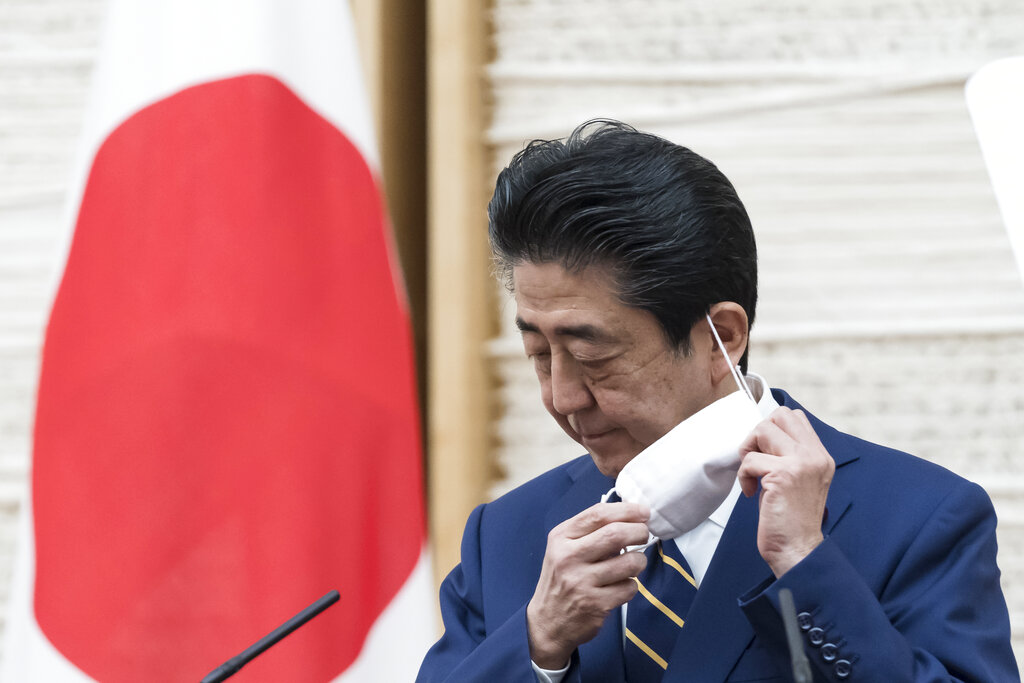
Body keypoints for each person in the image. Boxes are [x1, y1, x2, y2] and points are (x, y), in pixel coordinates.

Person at [417, 120, 1017, 682]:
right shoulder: (504, 536)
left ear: (721, 336)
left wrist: (808, 568)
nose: (562, 397)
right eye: (539, 356)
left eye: (593, 357)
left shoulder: (918, 519)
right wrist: (537, 641)